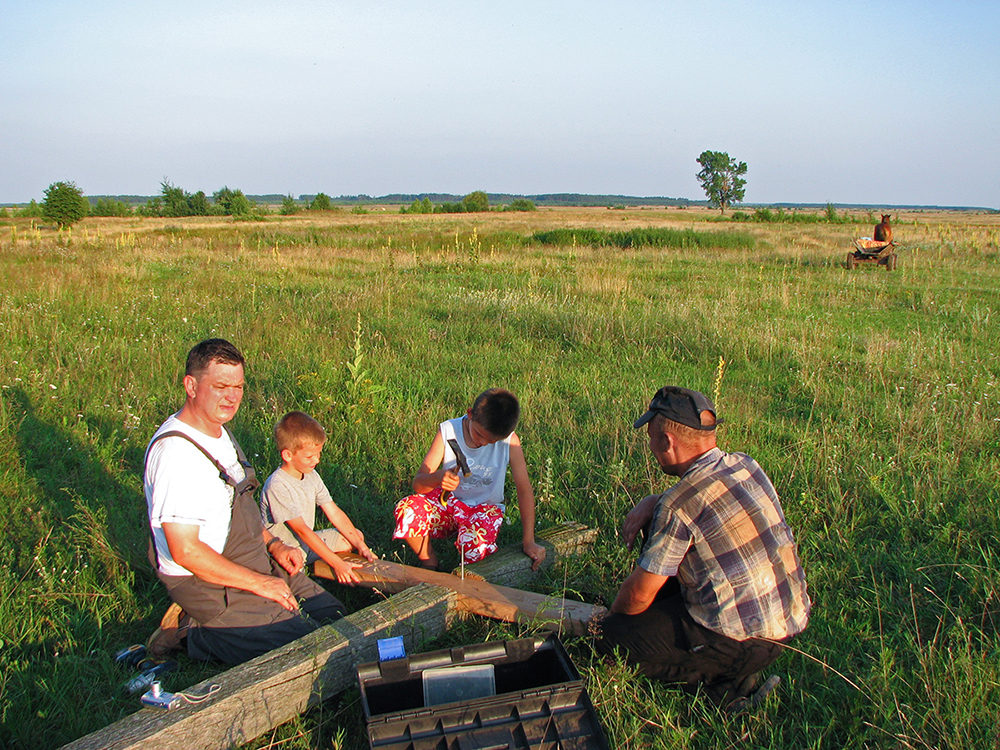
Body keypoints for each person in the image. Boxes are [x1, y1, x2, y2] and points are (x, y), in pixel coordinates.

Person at [596, 386, 810, 707]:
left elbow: (638, 595)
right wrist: (654, 501)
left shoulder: (679, 504)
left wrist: (617, 621)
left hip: (738, 641)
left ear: (667, 443)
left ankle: (724, 687)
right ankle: (732, 670)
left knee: (610, 640)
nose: (650, 447)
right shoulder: (745, 464)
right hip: (786, 629)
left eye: (652, 438)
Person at [144, 339, 345, 664]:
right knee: (304, 653)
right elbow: (186, 551)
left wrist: (274, 546)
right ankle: (190, 631)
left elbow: (240, 507)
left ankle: (236, 622)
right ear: (191, 385)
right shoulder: (177, 455)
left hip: (251, 555)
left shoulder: (218, 431)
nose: (232, 396)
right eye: (221, 385)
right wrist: (260, 584)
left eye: (237, 386)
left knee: (333, 616)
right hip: (207, 578)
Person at [393, 388, 546, 572]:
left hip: (484, 509)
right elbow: (418, 484)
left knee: (476, 544)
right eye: (480, 435)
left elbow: (524, 491)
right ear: (470, 414)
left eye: (492, 441)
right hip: (449, 504)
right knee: (408, 509)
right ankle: (430, 563)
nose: (483, 443)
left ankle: (466, 574)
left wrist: (529, 541)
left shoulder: (510, 443)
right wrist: (438, 478)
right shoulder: (449, 431)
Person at [260, 411, 376, 585]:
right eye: (309, 456)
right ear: (288, 455)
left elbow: (333, 512)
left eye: (318, 453)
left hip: (306, 543)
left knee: (354, 536)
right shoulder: (277, 485)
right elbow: (301, 530)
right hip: (286, 549)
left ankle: (316, 562)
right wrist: (337, 563)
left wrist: (361, 546)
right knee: (294, 575)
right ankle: (308, 573)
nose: (317, 460)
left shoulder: (311, 474)